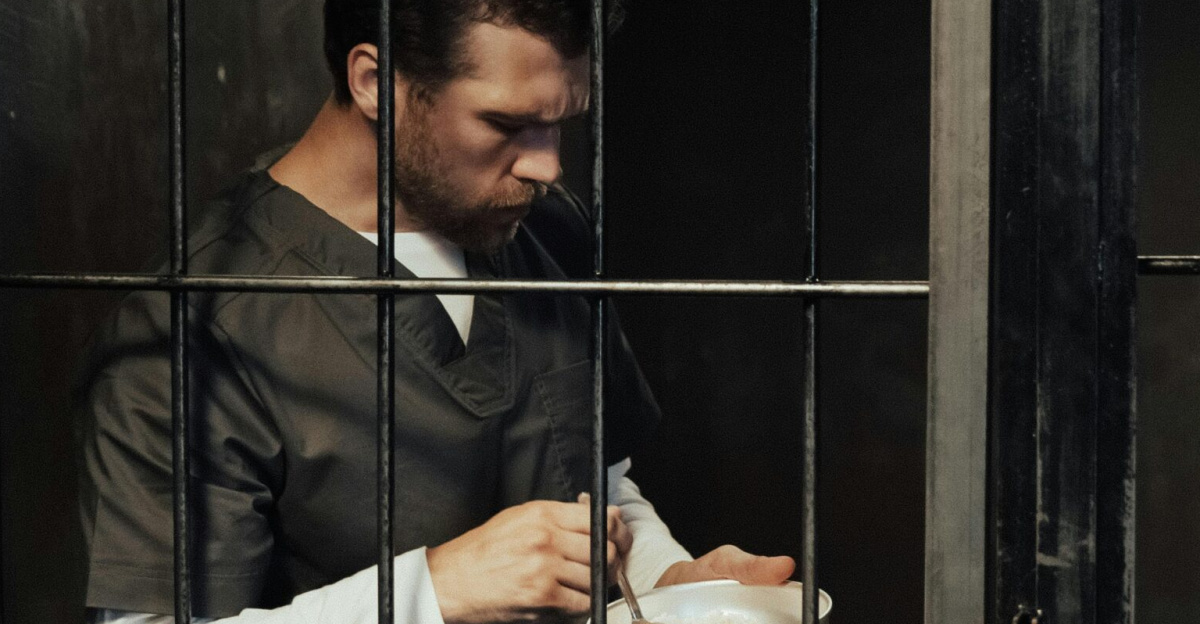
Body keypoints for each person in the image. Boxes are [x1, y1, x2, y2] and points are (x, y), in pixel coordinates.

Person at [78, 1, 795, 622]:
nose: (547, 166)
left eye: (561, 122)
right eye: (507, 123)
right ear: (373, 83)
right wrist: (435, 592)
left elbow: (595, 486)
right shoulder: (194, 325)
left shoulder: (546, 227)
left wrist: (669, 586)